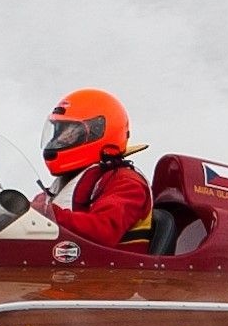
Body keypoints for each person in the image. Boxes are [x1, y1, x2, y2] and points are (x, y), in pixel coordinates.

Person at [43, 88, 152, 249]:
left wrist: (46, 215)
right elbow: (38, 209)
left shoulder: (127, 182)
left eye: (69, 132)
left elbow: (104, 230)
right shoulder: (70, 180)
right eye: (58, 132)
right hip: (70, 269)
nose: (58, 140)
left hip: (115, 272)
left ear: (97, 132)